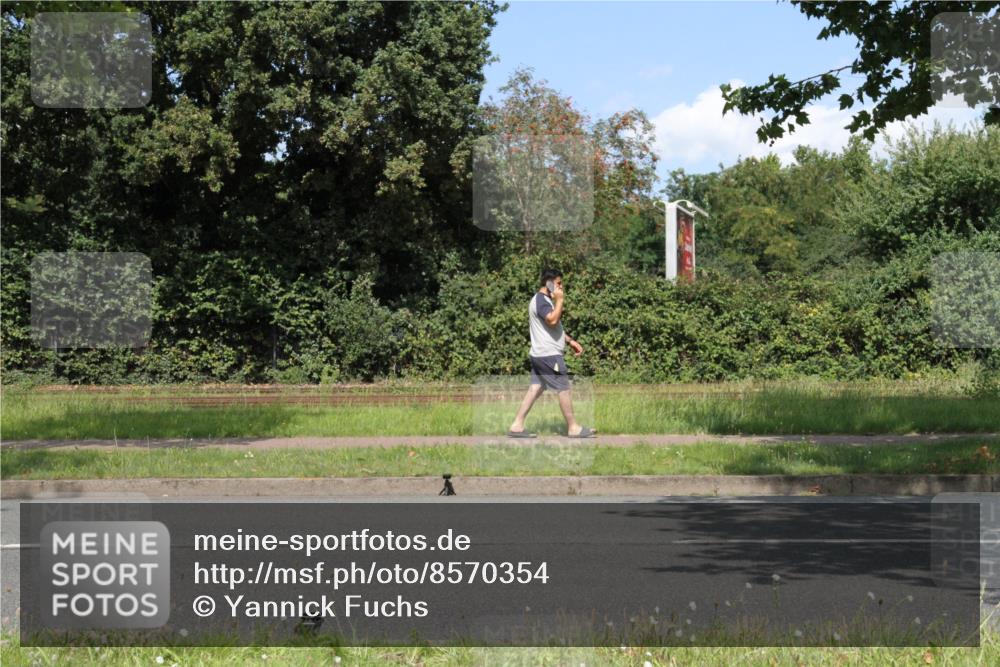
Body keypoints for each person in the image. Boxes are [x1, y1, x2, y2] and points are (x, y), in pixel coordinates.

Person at [508, 268, 596, 438]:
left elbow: (553, 328)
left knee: (536, 387)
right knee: (563, 387)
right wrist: (560, 300)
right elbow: (553, 320)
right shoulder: (541, 300)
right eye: (558, 283)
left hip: (541, 354)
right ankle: (573, 428)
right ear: (549, 284)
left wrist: (570, 341)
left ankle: (516, 425)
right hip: (549, 355)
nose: (561, 287)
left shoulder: (544, 300)